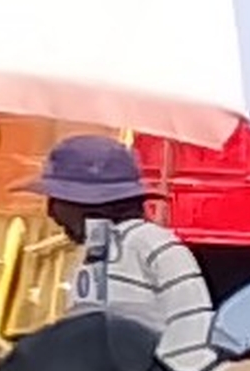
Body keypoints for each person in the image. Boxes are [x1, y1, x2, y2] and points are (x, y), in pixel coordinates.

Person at [40, 136, 219, 357]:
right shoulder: (92, 252)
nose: (50, 213)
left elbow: (194, 333)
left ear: (86, 202)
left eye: (56, 199)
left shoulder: (154, 246)